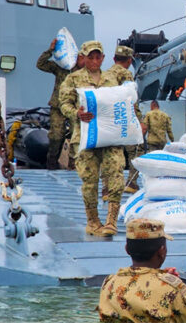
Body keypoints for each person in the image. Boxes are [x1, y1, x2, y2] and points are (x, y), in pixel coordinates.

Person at [98, 218, 186, 322]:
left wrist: (161, 277)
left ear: (127, 249)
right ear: (162, 251)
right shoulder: (173, 289)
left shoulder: (109, 283)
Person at [59, 41, 124, 237]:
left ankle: (111, 221)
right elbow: (64, 104)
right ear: (83, 58)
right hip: (86, 136)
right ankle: (93, 221)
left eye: (98, 57)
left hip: (110, 136)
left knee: (116, 175)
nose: (95, 60)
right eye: (90, 57)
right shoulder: (73, 79)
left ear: (103, 58)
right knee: (90, 180)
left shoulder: (112, 79)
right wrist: (75, 113)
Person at [36, 39, 84, 169]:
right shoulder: (61, 67)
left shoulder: (84, 73)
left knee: (77, 136)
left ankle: (73, 166)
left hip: (76, 109)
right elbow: (40, 64)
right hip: (58, 107)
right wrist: (50, 50)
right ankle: (51, 163)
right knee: (56, 136)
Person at [103, 45, 143, 194]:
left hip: (106, 121)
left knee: (108, 155)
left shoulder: (104, 74)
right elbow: (130, 98)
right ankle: (131, 183)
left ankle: (106, 188)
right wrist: (139, 121)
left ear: (114, 59)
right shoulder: (126, 74)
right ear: (129, 60)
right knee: (135, 151)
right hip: (123, 119)